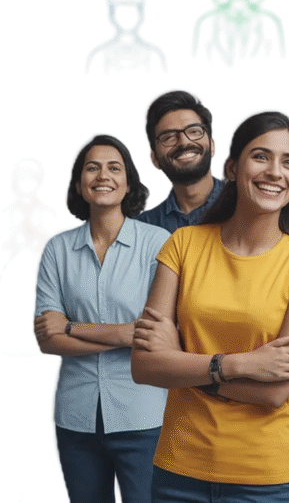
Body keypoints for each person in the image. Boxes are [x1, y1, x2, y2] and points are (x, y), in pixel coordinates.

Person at [132, 111, 289, 502]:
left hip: (266, 479)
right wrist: (242, 365)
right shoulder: (183, 244)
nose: (275, 172)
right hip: (178, 471)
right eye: (261, 156)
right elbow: (145, 366)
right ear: (233, 168)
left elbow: (276, 391)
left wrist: (181, 363)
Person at [34, 135, 170, 503]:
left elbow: (153, 336)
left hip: (142, 415)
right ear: (79, 184)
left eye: (114, 167)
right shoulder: (58, 249)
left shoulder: (157, 243)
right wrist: (123, 334)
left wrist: (72, 326)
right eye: (92, 168)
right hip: (76, 418)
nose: (102, 175)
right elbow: (48, 339)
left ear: (129, 183)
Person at [138, 91, 223, 232]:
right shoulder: (144, 228)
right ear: (155, 159)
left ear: (212, 146)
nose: (184, 142)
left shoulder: (247, 206)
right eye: (169, 137)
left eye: (194, 131)